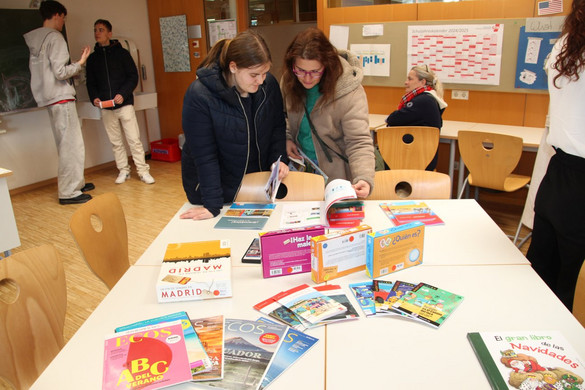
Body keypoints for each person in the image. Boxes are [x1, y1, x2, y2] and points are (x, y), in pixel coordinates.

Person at [180, 30, 288, 221]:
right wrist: (212, 205)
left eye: (265, 73)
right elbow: (205, 155)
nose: (261, 80)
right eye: (254, 74)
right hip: (215, 190)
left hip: (255, 187)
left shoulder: (267, 85)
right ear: (233, 67)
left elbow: (277, 127)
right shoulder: (199, 95)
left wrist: (278, 161)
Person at [526, 0, 585, 311]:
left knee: (543, 267)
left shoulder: (565, 44)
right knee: (573, 281)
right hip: (578, 178)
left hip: (558, 171)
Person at [281, 28, 375, 198]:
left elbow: (359, 141)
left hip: (337, 175)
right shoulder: (290, 80)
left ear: (327, 65)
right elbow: (285, 116)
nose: (307, 78)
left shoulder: (349, 90)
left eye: (315, 71)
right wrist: (288, 136)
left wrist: (364, 177)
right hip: (302, 168)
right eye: (300, 70)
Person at [23, 0, 95, 204]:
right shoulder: (55, 38)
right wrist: (80, 63)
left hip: (49, 97)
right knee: (71, 145)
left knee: (67, 144)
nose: (63, 22)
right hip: (61, 97)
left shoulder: (36, 40)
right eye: (63, 17)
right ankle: (69, 192)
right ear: (56, 15)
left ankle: (77, 183)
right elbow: (61, 72)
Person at [86, 19, 155, 185]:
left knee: (134, 140)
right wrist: (94, 97)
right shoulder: (93, 59)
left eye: (101, 30)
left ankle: (143, 171)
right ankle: (123, 170)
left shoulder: (122, 54)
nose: (97, 33)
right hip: (106, 107)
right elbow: (91, 82)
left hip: (124, 105)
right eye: (95, 30)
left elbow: (133, 76)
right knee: (115, 142)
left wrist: (123, 94)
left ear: (109, 33)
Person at [385, 64, 447, 171]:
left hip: (412, 159)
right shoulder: (431, 99)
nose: (406, 82)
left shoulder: (422, 101)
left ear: (422, 82)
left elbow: (392, 119)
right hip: (425, 158)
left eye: (410, 79)